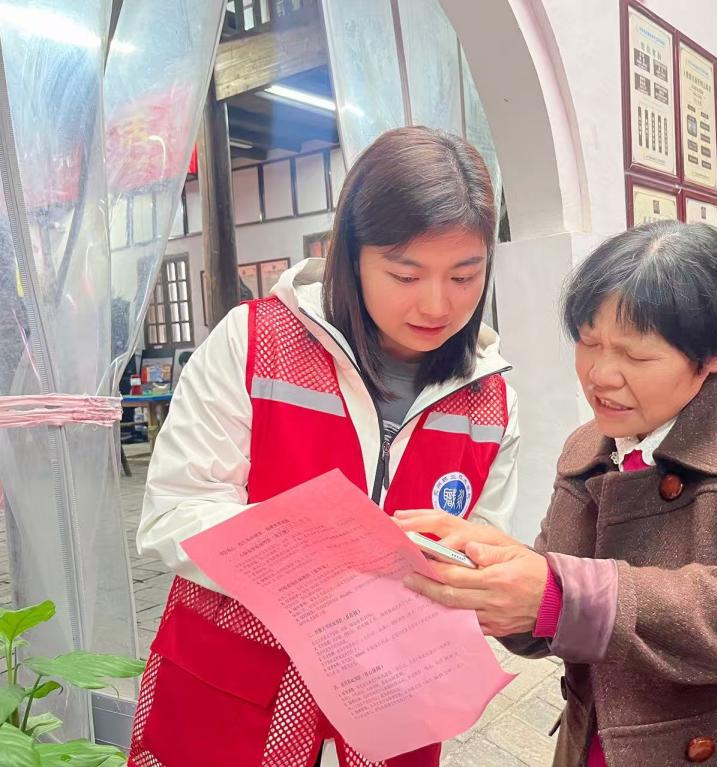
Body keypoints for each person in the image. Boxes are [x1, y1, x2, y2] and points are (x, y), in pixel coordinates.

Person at [398, 221, 717, 767]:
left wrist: (563, 596)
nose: (600, 375)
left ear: (712, 355)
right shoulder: (589, 447)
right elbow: (556, 608)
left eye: (636, 356)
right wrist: (487, 576)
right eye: (588, 343)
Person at [128, 127, 520, 767]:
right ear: (350, 256)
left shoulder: (491, 397)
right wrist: (313, 557)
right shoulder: (254, 343)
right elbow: (173, 512)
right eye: (405, 274)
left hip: (392, 695)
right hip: (233, 686)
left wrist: (466, 572)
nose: (437, 303)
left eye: (464, 275)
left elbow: (482, 538)